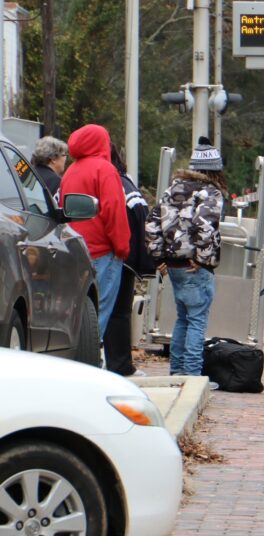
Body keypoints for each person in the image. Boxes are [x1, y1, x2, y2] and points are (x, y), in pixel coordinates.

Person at [145, 137, 226, 377]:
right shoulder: (210, 192)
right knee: (197, 321)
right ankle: (192, 375)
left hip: (174, 266)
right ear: (214, 169)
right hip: (194, 267)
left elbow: (151, 224)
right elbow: (205, 226)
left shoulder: (172, 190)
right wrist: (201, 258)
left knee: (183, 319)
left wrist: (159, 258)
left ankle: (177, 371)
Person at [59, 124, 130, 341]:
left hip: (74, 250)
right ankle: (91, 362)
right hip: (103, 252)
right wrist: (122, 248)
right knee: (98, 316)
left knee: (79, 315)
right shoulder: (105, 169)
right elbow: (114, 210)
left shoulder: (71, 170)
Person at [105, 143, 156, 377]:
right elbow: (138, 217)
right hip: (118, 255)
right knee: (119, 311)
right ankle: (120, 364)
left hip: (86, 252)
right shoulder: (121, 184)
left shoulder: (73, 176)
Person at [31, 135, 68, 202]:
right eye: (64, 155)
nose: (65, 159)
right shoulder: (56, 182)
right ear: (53, 158)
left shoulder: (29, 173)